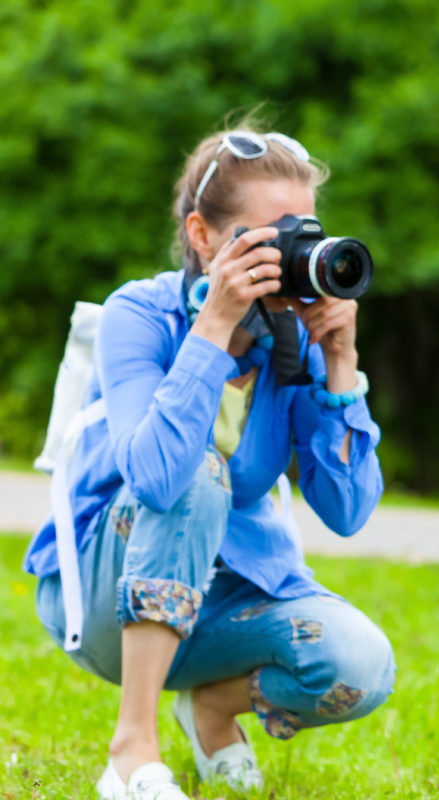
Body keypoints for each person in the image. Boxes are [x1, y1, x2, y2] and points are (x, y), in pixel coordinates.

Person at [24, 122, 396, 800]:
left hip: (223, 609)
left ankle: (213, 708)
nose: (295, 254)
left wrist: (340, 366)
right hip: (110, 601)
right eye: (272, 236)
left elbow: (347, 512)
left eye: (305, 234)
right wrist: (214, 329)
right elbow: (156, 477)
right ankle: (131, 751)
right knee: (196, 471)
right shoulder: (140, 313)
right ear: (203, 236)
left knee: (358, 665)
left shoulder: (296, 339)